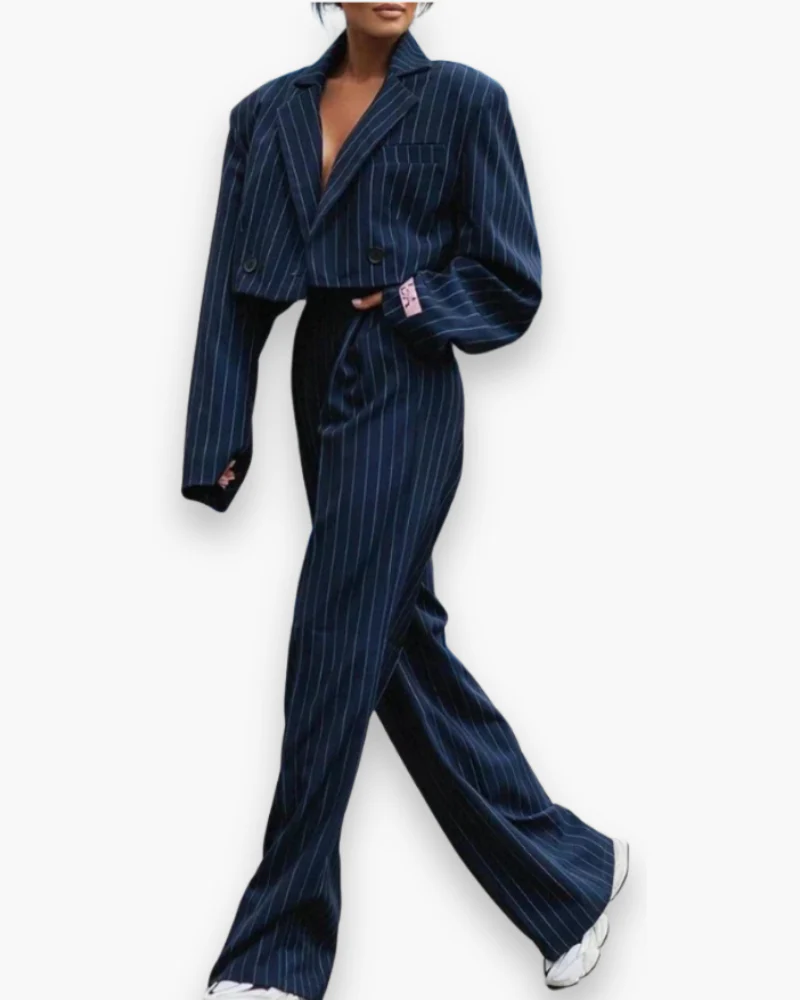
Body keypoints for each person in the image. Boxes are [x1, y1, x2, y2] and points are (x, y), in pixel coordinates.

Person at [182, 4, 629, 998]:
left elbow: (510, 275)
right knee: (393, 644)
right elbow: (232, 289)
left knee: (333, 640)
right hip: (318, 375)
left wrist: (413, 301)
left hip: (404, 379)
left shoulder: (466, 101)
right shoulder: (265, 115)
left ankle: (274, 953)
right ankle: (570, 880)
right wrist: (217, 435)